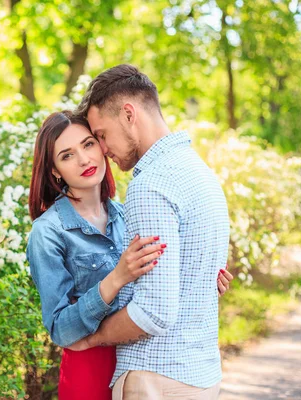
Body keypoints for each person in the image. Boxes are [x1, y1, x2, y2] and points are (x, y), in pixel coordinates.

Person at [26, 110, 232, 400]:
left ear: (101, 145)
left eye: (88, 144)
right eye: (67, 155)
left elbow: (155, 292)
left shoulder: (128, 215)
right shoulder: (47, 232)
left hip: (141, 356)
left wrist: (201, 280)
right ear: (55, 171)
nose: (84, 159)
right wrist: (116, 278)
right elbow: (60, 329)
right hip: (90, 366)